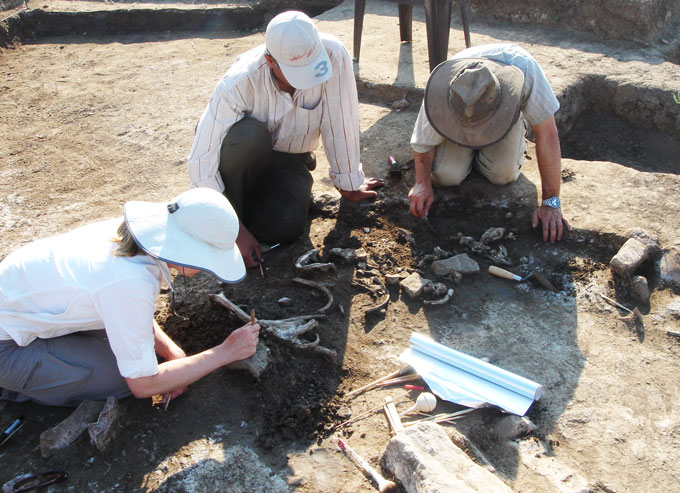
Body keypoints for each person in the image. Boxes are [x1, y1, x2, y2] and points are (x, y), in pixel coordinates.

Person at [0, 188, 260, 407]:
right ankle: (19, 386)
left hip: (27, 313)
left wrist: (171, 351)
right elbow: (143, 384)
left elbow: (128, 306)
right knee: (118, 378)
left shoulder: (131, 240)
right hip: (8, 346)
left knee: (141, 358)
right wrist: (225, 352)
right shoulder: (129, 281)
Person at [187, 10, 383, 268]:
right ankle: (223, 218)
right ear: (270, 61)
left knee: (287, 226)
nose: (306, 80)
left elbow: (341, 117)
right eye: (296, 71)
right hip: (240, 159)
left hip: (288, 160)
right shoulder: (239, 82)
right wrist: (233, 232)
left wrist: (349, 182)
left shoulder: (333, 54)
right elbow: (201, 162)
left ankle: (242, 214)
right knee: (249, 137)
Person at [408, 43, 572, 243]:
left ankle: (486, 155)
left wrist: (551, 202)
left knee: (503, 173)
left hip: (504, 118)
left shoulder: (526, 71)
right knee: (447, 175)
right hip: (457, 124)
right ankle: (469, 157)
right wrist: (421, 183)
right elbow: (423, 139)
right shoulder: (445, 86)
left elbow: (548, 135)